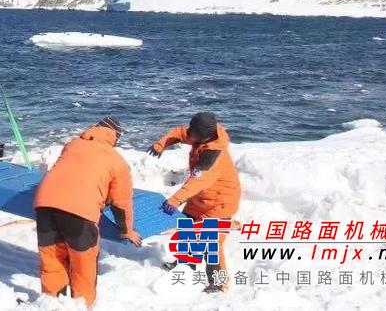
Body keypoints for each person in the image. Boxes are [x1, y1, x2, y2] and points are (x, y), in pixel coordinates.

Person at [34, 116, 142, 307]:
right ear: (115, 138)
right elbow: (121, 203)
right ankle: (82, 306)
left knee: (52, 261)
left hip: (44, 205)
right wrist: (127, 231)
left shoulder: (72, 144)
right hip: (80, 213)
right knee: (83, 267)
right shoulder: (117, 162)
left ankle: (51, 304)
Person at [149, 111, 241, 293]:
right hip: (201, 197)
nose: (189, 135)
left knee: (211, 243)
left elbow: (198, 181)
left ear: (204, 136)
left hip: (220, 203)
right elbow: (180, 132)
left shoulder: (212, 156)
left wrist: (175, 200)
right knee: (186, 226)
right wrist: (161, 144)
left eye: (193, 134)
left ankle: (218, 283)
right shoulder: (201, 135)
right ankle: (187, 262)